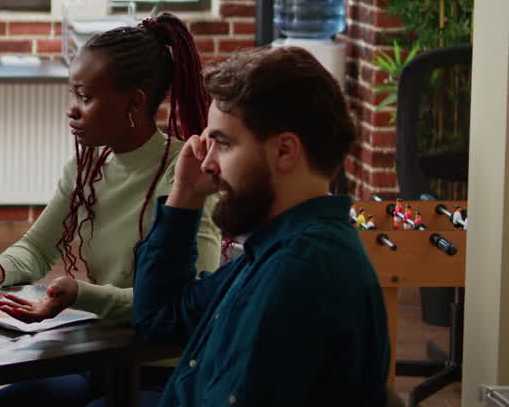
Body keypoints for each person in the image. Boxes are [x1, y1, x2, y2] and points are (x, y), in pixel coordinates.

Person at [0, 13, 222, 406]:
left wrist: (81, 294)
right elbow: (39, 249)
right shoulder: (85, 170)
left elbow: (181, 303)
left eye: (86, 98)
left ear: (135, 103)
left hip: (163, 370)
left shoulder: (187, 176)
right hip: (102, 358)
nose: (72, 109)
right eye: (73, 95)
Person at [132, 47, 389, 406]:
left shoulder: (300, 270)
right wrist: (185, 196)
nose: (206, 164)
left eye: (222, 143)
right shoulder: (272, 252)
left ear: (285, 151)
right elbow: (158, 320)